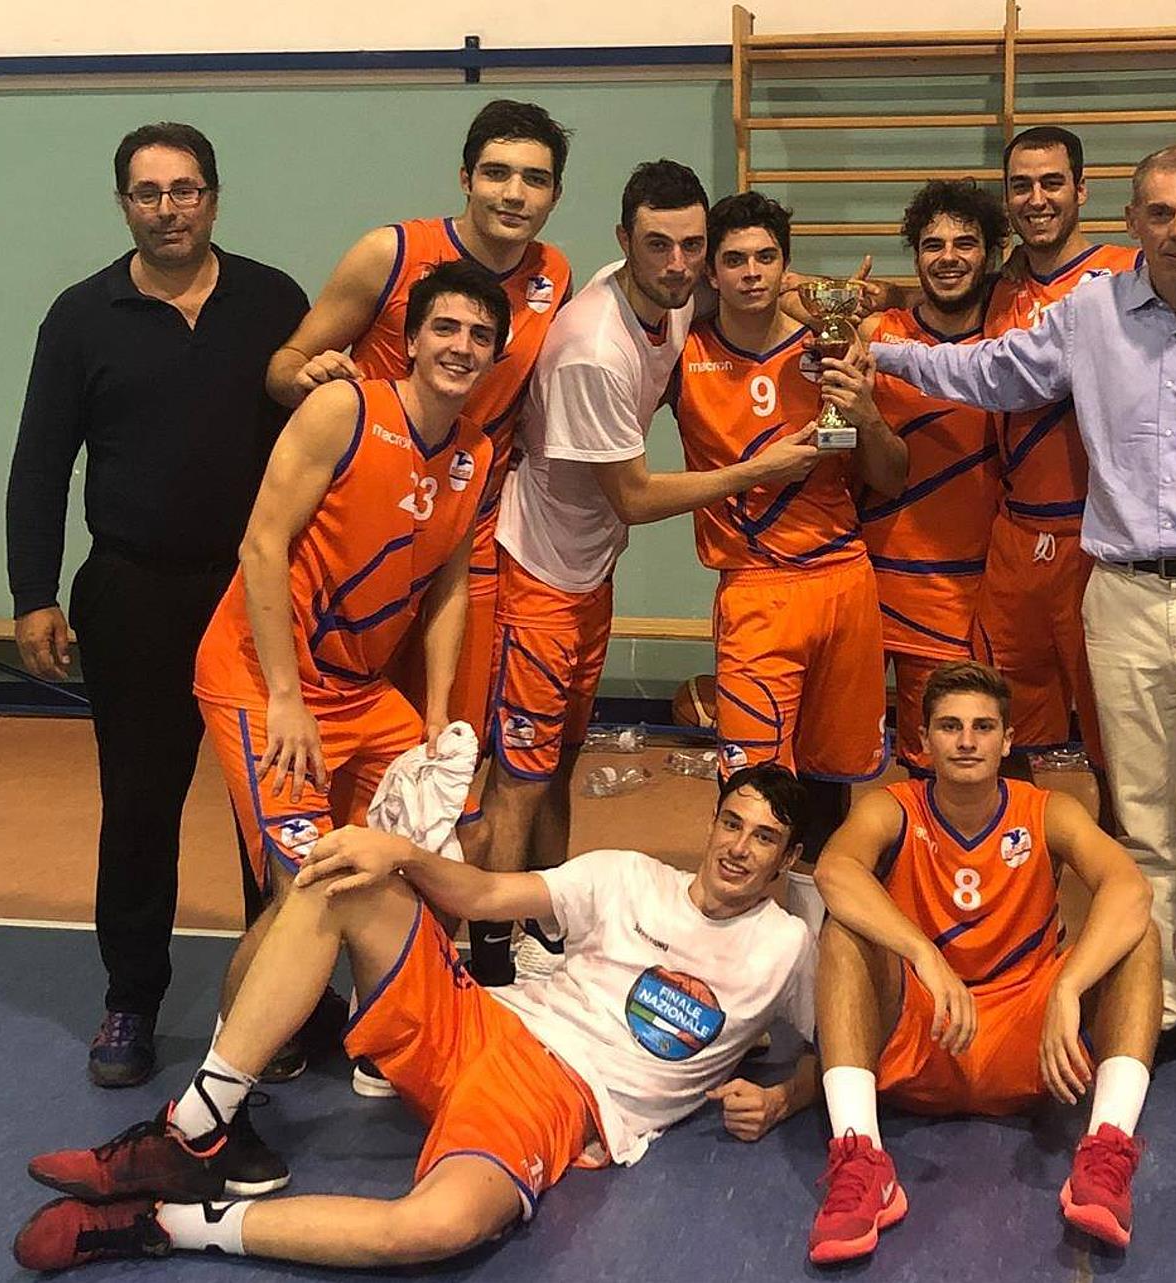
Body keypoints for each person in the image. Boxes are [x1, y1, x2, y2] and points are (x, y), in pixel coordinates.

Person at [871, 144, 1176, 1129]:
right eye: (1160, 213)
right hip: (1121, 595)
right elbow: (984, 370)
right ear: (1131, 220)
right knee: (1141, 829)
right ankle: (1153, 1007)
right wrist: (881, 350)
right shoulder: (1088, 313)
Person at [10, 764, 820, 1272]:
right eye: (732, 822)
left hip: (553, 1097)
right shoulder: (628, 876)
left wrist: (784, 1097)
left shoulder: (786, 947)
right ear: (712, 821)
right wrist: (397, 852)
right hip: (483, 1023)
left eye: (765, 838)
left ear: (787, 860)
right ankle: (196, 1125)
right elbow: (486, 895)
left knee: (432, 1229)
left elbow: (851, 1045)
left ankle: (164, 1224)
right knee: (342, 877)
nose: (739, 847)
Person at [4, 122, 308, 1088]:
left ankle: (276, 998)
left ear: (213, 197)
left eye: (185, 190)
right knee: (139, 805)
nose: (168, 209)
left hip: (254, 596)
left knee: (270, 810)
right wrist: (32, 593)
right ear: (124, 204)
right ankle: (131, 998)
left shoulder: (275, 301)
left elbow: (325, 444)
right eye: (148, 193)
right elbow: (40, 462)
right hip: (131, 593)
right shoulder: (79, 316)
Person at [465, 161, 822, 983]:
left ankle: (544, 924)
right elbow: (630, 496)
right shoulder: (595, 348)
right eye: (658, 245)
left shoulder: (670, 296)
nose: (679, 263)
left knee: (559, 762)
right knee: (518, 779)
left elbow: (756, 288)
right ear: (624, 240)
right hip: (539, 575)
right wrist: (758, 468)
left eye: (693, 245)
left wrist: (821, 300)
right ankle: (487, 959)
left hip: (588, 573)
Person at [187, 259, 506, 1155]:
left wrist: (436, 716)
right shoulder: (344, 409)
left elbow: (449, 586)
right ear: (412, 337)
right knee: (311, 887)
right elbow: (262, 544)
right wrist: (286, 699)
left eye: (481, 336)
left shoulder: (476, 452)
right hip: (264, 680)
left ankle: (388, 1034)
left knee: (436, 844)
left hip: (363, 693)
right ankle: (216, 1105)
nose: (462, 347)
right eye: (446, 328)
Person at [264, 103, 575, 990]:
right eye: (497, 172)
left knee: (438, 773)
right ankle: (293, 979)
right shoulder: (389, 254)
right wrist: (315, 381)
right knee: (313, 787)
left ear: (554, 194)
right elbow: (285, 364)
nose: (514, 193)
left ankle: (414, 983)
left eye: (535, 178)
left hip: (458, 545)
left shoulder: (553, 274)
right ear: (465, 176)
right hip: (358, 546)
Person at [978, 128, 1176, 834]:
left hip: (1150, 558)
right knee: (1042, 738)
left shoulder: (1132, 272)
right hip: (1056, 551)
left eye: (1052, 182)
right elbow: (979, 361)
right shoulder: (1010, 288)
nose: (1037, 199)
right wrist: (877, 333)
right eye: (1021, 185)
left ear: (1084, 193)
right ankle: (1027, 883)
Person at [806, 661, 1160, 1262]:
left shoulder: (1047, 811)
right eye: (950, 726)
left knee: (1139, 935)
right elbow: (834, 870)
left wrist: (1069, 987)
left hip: (1030, 1040)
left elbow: (1130, 887)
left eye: (983, 727)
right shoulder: (892, 808)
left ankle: (1106, 1151)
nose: (967, 741)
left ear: (1007, 740)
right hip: (927, 1031)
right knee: (843, 931)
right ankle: (862, 1160)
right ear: (922, 740)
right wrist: (923, 953)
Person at [670, 191, 907, 895]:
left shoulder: (831, 345)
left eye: (766, 257)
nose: (751, 272)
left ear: (786, 265)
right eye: (735, 259)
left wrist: (865, 413)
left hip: (843, 579)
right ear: (711, 272)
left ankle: (817, 926)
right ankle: (733, 928)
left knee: (834, 780)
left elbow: (891, 475)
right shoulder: (683, 352)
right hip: (756, 589)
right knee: (752, 789)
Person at [858, 180, 1006, 778]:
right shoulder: (874, 332)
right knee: (840, 758)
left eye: (965, 243)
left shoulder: (1011, 341)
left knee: (947, 767)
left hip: (961, 593)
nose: (948, 257)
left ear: (991, 254)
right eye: (932, 244)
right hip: (867, 582)